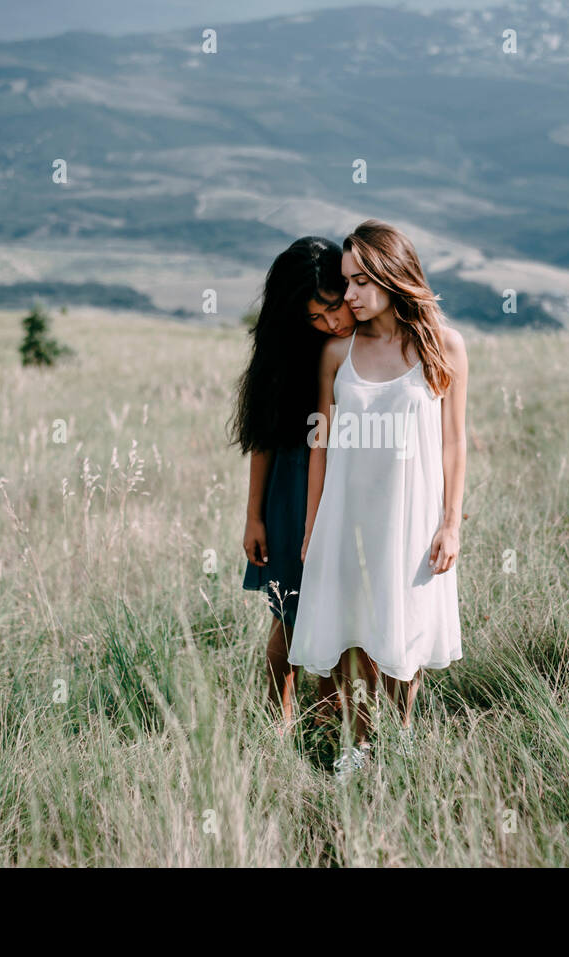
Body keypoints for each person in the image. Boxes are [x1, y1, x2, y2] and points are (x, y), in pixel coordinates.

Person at [290, 220, 468, 777]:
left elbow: (454, 440)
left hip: (411, 515)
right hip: (348, 514)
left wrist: (451, 524)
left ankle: (402, 743)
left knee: (404, 629)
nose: (350, 295)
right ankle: (360, 745)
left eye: (363, 281)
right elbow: (319, 444)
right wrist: (313, 524)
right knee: (356, 630)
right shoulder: (337, 354)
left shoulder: (442, 345)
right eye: (347, 281)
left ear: (394, 276)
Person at [230, 237, 356, 733]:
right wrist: (253, 515)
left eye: (333, 307)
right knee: (290, 609)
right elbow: (264, 439)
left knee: (340, 608)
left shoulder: (365, 337)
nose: (332, 323)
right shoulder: (286, 353)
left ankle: (330, 715)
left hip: (347, 483)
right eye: (316, 317)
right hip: (291, 489)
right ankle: (278, 720)